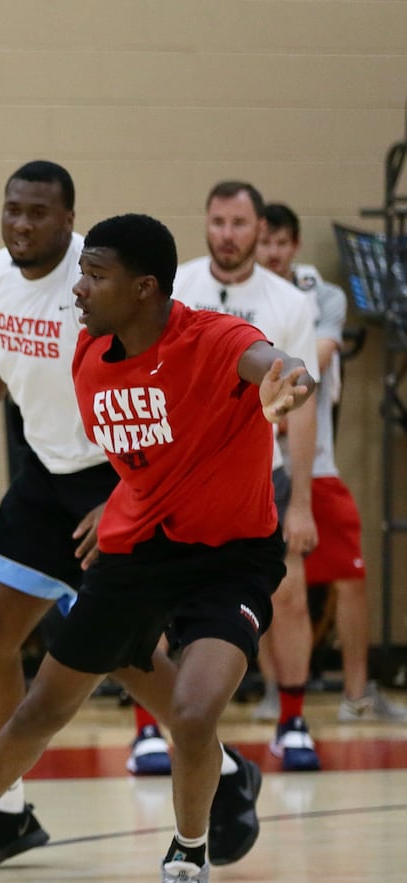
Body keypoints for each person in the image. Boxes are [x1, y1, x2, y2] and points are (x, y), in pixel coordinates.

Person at [0, 212, 315, 883]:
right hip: (138, 552)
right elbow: (151, 459)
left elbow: (279, 366)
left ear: (142, 289)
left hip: (230, 557)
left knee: (195, 714)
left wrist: (283, 389)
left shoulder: (215, 338)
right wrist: (118, 504)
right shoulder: (92, 359)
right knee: (42, 705)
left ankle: (187, 868)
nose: (78, 287)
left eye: (95, 275)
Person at [0, 161, 261, 860]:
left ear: (70, 220)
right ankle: (6, 815)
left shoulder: (104, 289)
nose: (21, 224)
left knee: (119, 655)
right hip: (47, 473)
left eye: (38, 213)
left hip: (122, 472)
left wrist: (126, 495)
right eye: (12, 210)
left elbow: (163, 404)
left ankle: (224, 767)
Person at [159, 180, 322, 772]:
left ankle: (294, 720)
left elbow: (303, 412)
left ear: (261, 230)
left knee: (290, 594)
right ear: (207, 224)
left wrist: (302, 502)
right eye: (219, 222)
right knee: (155, 593)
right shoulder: (177, 286)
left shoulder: (289, 303)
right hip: (180, 476)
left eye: (240, 224)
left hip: (260, 476)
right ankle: (150, 730)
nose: (228, 234)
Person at [257, 203, 407, 723]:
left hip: (312, 462)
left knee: (350, 575)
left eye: (281, 243)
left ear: (295, 246)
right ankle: (276, 691)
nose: (272, 253)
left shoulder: (321, 296)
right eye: (264, 243)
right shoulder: (235, 297)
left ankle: (357, 693)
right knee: (270, 581)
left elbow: (310, 362)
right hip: (257, 463)